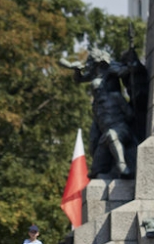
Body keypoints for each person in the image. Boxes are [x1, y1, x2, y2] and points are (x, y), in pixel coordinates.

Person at [59, 48, 138, 178]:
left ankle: (122, 165)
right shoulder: (94, 73)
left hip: (116, 116)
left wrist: (131, 66)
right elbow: (79, 79)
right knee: (93, 143)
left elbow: (124, 71)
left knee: (112, 135)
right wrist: (77, 70)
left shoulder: (110, 70)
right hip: (101, 114)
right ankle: (103, 166)